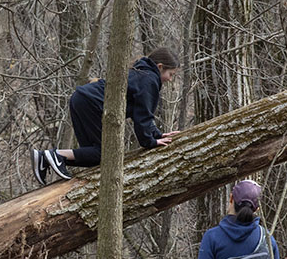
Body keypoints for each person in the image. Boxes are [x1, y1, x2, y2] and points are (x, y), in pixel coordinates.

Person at [30, 46, 180, 184]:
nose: (170, 79)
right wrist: (150, 141)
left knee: (94, 156)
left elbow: (140, 114)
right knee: (105, 153)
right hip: (90, 103)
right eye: (170, 74)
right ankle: (55, 156)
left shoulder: (140, 73)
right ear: (160, 67)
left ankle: (46, 158)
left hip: (81, 98)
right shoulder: (149, 79)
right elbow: (143, 118)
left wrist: (157, 135)